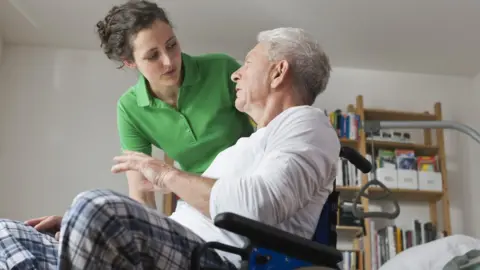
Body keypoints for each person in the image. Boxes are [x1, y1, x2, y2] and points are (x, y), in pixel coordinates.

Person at [0, 27, 339, 269]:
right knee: (8, 233)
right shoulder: (244, 146)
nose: (236, 74)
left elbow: (256, 206)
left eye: (248, 63)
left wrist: (164, 175)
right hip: (175, 244)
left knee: (94, 205)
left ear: (279, 72)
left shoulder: (307, 124)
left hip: (217, 257)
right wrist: (78, 226)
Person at [99, 0, 255, 208]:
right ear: (130, 62)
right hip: (202, 200)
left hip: (252, 182)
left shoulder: (222, 68)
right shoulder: (129, 109)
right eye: (153, 56)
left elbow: (270, 124)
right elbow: (141, 193)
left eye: (171, 45)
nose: (169, 61)